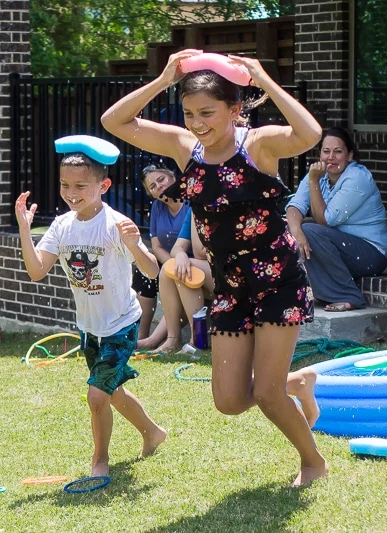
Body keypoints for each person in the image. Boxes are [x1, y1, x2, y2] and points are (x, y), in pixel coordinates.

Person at [101, 49, 327, 486]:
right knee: (228, 401)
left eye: (207, 112)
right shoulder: (187, 150)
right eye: (188, 113)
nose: (197, 123)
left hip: (278, 280)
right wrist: (165, 77)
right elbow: (115, 122)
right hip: (230, 286)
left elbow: (310, 132)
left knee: (265, 394)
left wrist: (263, 76)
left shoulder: (258, 145)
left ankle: (312, 461)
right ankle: (298, 383)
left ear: (235, 109)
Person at [15, 137, 167, 476]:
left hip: (121, 324)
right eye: (65, 185)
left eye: (81, 186)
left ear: (103, 184)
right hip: (90, 327)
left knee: (97, 396)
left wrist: (134, 244)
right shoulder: (62, 225)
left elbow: (152, 270)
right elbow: (37, 270)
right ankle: (153, 433)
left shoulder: (115, 224)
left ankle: (100, 462)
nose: (71, 192)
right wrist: (25, 230)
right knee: (112, 393)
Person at [286, 127, 387, 312]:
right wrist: (296, 232)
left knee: (311, 231)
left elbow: (325, 221)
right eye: (326, 151)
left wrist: (313, 182)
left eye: (338, 151)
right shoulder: (318, 175)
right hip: (340, 249)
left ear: (349, 156)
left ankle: (349, 296)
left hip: (372, 253)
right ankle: (307, 293)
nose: (330, 157)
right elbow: (295, 207)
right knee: (291, 232)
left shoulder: (357, 178)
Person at [134, 164, 192, 350]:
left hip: (193, 262)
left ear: (173, 177)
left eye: (161, 180)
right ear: (151, 193)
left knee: (176, 278)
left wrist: (175, 266)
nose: (158, 186)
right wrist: (171, 264)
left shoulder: (192, 202)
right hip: (172, 260)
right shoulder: (157, 207)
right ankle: (142, 335)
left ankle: (157, 340)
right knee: (144, 272)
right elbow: (157, 246)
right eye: (152, 186)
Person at [154, 211, 215, 352]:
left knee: (187, 270)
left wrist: (196, 211)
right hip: (210, 274)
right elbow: (177, 247)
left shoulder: (216, 204)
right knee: (170, 269)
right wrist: (181, 255)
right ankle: (172, 339)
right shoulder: (195, 208)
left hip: (233, 274)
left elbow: (200, 252)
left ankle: (198, 340)